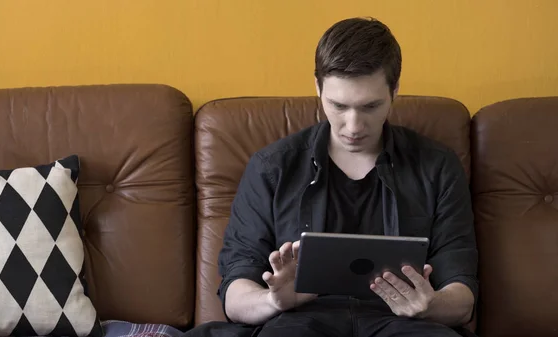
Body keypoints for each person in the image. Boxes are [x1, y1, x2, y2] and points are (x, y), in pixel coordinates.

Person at [184, 17, 478, 337]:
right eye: (338, 105)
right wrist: (274, 300)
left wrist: (430, 305)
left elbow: (462, 295)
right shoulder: (272, 167)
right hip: (297, 322)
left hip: (405, 324)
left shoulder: (437, 166)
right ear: (318, 87)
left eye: (370, 106)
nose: (353, 126)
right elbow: (235, 293)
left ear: (394, 90)